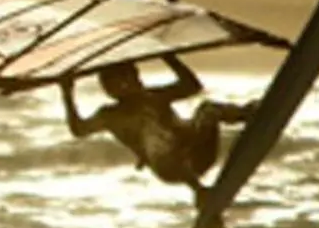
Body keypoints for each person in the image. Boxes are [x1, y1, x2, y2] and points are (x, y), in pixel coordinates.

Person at [62, 54, 251, 194]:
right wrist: (67, 92)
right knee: (151, 131)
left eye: (130, 78)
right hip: (170, 169)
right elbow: (79, 129)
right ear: (109, 91)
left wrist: (168, 56)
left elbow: (192, 86)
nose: (127, 86)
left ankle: (247, 113)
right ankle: (198, 189)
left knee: (208, 109)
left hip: (199, 153)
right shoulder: (111, 115)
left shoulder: (154, 97)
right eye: (114, 85)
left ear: (137, 77)